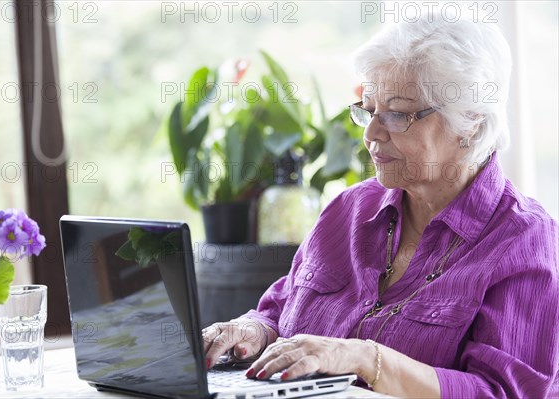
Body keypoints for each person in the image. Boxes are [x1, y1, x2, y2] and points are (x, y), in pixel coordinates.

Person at [202, 13, 559, 399]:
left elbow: (501, 392)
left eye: (397, 114)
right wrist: (252, 330)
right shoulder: (347, 211)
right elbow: (279, 310)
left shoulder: (526, 242)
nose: (371, 133)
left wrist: (367, 358)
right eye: (368, 109)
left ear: (471, 120)